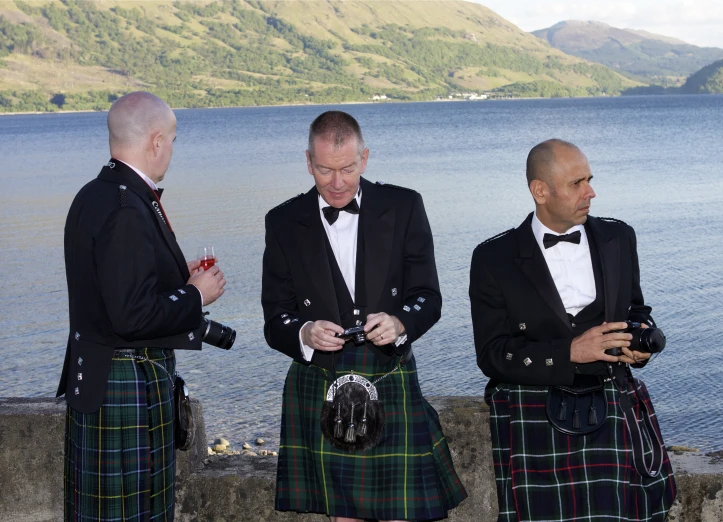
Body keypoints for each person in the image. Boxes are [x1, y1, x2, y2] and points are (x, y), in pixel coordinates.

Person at [262, 111, 467, 522]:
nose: (337, 182)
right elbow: (274, 317)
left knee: (400, 513)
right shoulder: (283, 220)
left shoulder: (404, 205)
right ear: (308, 162)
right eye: (324, 170)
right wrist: (304, 331)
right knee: (345, 516)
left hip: (387, 373)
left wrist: (400, 323)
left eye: (348, 168)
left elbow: (428, 297)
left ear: (365, 158)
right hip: (321, 381)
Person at [469, 139, 676, 522]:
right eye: (577, 183)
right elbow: (493, 353)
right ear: (540, 191)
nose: (590, 192)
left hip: (612, 396)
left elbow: (635, 310)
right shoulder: (493, 258)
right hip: (534, 407)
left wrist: (639, 339)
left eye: (589, 180)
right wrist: (569, 352)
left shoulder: (618, 237)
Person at [57, 91, 226, 521]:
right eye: (171, 138)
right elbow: (131, 315)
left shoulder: (93, 195)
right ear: (155, 141)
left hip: (99, 374)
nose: (171, 148)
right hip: (126, 383)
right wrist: (195, 295)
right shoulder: (126, 207)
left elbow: (111, 286)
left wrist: (174, 277)